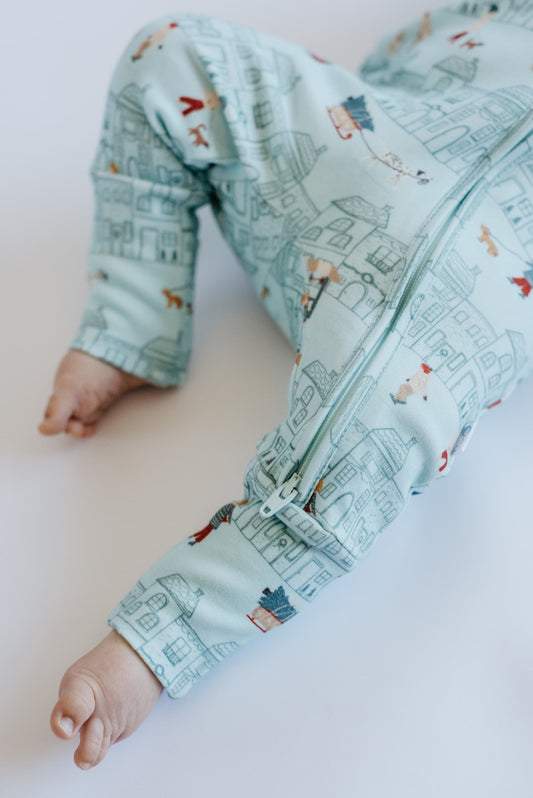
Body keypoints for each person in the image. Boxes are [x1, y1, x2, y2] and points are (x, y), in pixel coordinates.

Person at [40, 3, 533, 770]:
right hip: (370, 138)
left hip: (480, 292)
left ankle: (160, 635)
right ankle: (135, 321)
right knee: (170, 54)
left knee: (355, 451)